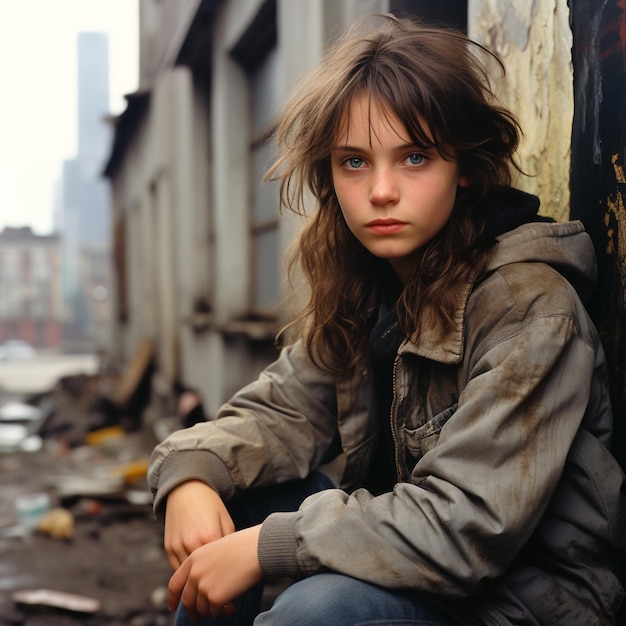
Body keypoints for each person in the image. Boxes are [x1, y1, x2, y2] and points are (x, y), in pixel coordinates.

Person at [148, 14, 626, 625]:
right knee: (231, 509)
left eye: (415, 157)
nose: (380, 191)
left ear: (465, 166)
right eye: (353, 162)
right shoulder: (369, 292)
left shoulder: (528, 306)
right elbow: (275, 416)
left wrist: (269, 548)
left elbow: (466, 526)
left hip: (525, 602)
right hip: (424, 577)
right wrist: (192, 477)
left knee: (315, 610)